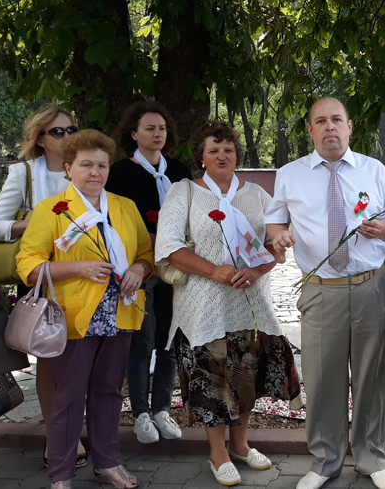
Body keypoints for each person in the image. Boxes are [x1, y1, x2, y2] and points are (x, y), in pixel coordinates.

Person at [266, 97, 385, 489]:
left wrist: (383, 228)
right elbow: (275, 220)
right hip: (320, 289)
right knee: (323, 378)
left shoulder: (374, 171)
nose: (330, 127)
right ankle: (325, 462)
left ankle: (371, 458)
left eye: (336, 120)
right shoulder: (291, 174)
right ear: (310, 129)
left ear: (349, 126)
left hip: (369, 287)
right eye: (321, 121)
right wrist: (279, 236)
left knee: (370, 376)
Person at [154, 122, 301, 487]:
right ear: (201, 157)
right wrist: (214, 271)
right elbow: (169, 246)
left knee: (246, 376)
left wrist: (256, 270)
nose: (222, 155)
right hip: (203, 306)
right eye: (214, 150)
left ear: (237, 156)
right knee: (212, 379)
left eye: (229, 150)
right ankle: (217, 453)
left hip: (250, 303)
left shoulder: (257, 195)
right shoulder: (184, 191)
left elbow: (276, 245)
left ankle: (240, 445)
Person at [16, 129, 154, 489]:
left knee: (109, 392)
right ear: (68, 168)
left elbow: (146, 253)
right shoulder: (51, 210)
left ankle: (108, 463)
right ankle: (61, 475)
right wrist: (79, 267)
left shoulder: (124, 207)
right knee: (68, 397)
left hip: (120, 313)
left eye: (102, 165)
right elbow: (28, 266)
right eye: (86, 165)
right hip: (73, 318)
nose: (95, 172)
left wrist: (139, 269)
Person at [0, 104, 88, 469]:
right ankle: (58, 437)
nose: (67, 136)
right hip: (43, 278)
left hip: (86, 277)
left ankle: (75, 429)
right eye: (58, 131)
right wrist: (37, 224)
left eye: (71, 129)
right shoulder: (24, 173)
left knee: (83, 361)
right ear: (41, 139)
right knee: (51, 359)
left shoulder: (87, 169)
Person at [107, 101, 192, 445]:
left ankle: (162, 409)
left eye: (162, 128)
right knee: (141, 341)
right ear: (133, 134)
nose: (158, 134)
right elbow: (113, 223)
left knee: (169, 339)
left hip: (175, 267)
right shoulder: (118, 174)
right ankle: (140, 412)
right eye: (150, 128)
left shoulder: (179, 171)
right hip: (138, 268)